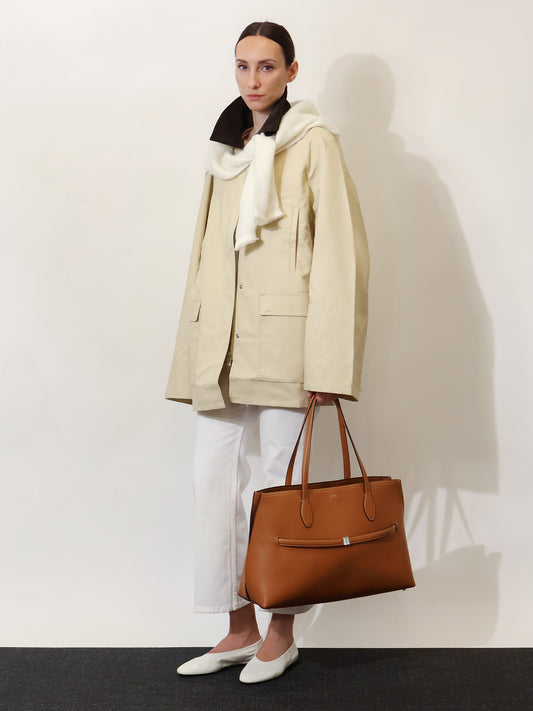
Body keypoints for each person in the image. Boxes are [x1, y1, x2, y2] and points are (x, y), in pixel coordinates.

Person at [165, 21, 369, 683]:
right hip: (220, 343)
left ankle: (280, 631)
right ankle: (237, 628)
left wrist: (328, 363)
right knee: (212, 483)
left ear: (291, 72)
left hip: (287, 342)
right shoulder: (225, 146)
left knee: (278, 489)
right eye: (242, 66)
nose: (253, 80)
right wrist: (192, 348)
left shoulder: (314, 142)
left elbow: (339, 254)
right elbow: (205, 253)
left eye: (267, 67)